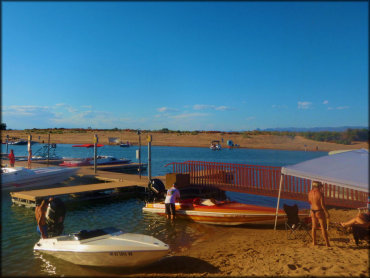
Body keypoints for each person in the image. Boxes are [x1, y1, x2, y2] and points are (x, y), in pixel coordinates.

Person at [308, 181, 330, 247]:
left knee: (313, 227)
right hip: (319, 211)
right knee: (323, 228)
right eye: (321, 186)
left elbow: (310, 202)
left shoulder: (310, 192)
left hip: (312, 211)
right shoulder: (320, 193)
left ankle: (314, 242)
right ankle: (327, 243)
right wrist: (327, 213)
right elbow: (322, 205)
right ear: (319, 186)